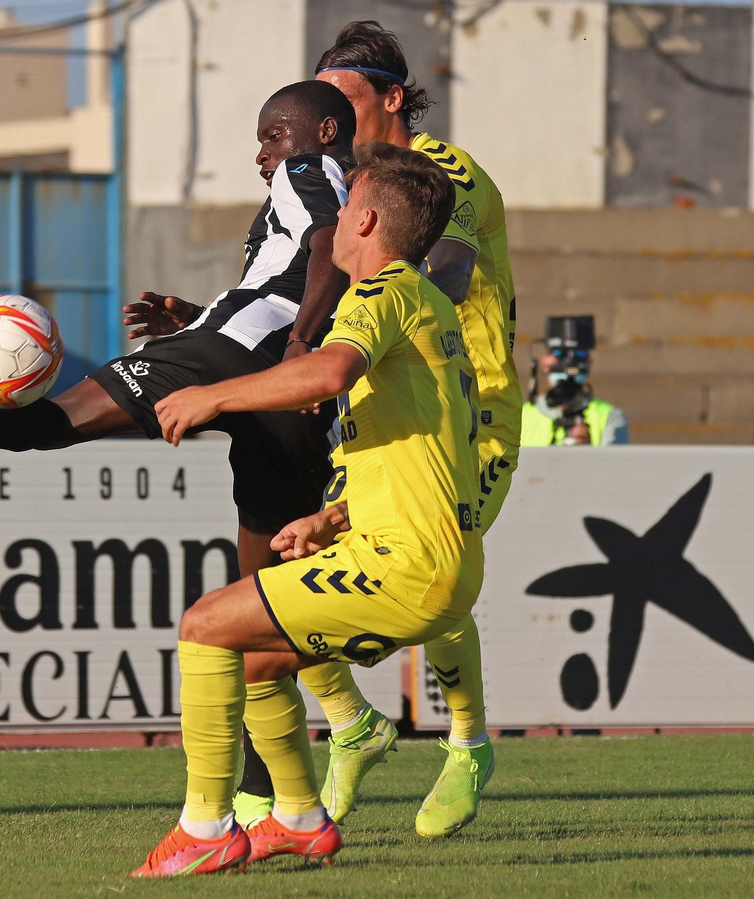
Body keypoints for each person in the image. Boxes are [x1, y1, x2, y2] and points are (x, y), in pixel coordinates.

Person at [0, 81, 354, 583]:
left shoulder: (305, 168)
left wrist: (298, 344)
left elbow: (326, 248)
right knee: (269, 599)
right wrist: (201, 318)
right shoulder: (369, 205)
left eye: (272, 137)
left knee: (56, 421)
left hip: (254, 357)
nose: (262, 155)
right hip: (296, 401)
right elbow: (299, 283)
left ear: (326, 132)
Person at [131, 141, 481, 876]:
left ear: (368, 220)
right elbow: (425, 449)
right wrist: (331, 517)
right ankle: (297, 817)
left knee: (204, 625)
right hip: (420, 556)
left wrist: (212, 395)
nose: (337, 216)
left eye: (347, 205)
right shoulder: (425, 304)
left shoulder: (383, 292)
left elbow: (328, 371)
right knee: (258, 662)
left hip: (405, 565)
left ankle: (205, 827)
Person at [232, 20, 518, 839]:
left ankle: (467, 744)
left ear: (392, 99)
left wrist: (368, 318)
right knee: (301, 558)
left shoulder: (440, 172)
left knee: (431, 566)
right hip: (379, 406)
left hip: (467, 410)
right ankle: (351, 722)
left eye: (345, 97)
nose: (327, 113)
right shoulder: (344, 190)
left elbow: (447, 270)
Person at [521, 315, 629, 446]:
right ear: (544, 362)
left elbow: (616, 459)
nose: (570, 361)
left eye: (580, 354)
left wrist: (586, 451)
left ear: (589, 362)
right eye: (560, 354)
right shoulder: (520, 417)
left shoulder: (610, 416)